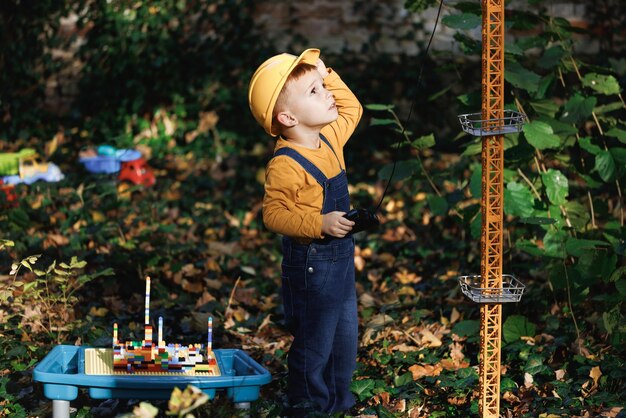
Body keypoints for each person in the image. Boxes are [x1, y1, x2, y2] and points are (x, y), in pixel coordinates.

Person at [248, 48, 363, 416]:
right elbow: (274, 215)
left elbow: (353, 110)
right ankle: (306, 403)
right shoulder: (285, 163)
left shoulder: (330, 138)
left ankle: (337, 401)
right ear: (287, 116)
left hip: (341, 260)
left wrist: (324, 72)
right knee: (316, 339)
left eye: (322, 87)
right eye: (314, 91)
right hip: (311, 264)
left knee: (344, 337)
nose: (327, 93)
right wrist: (319, 223)